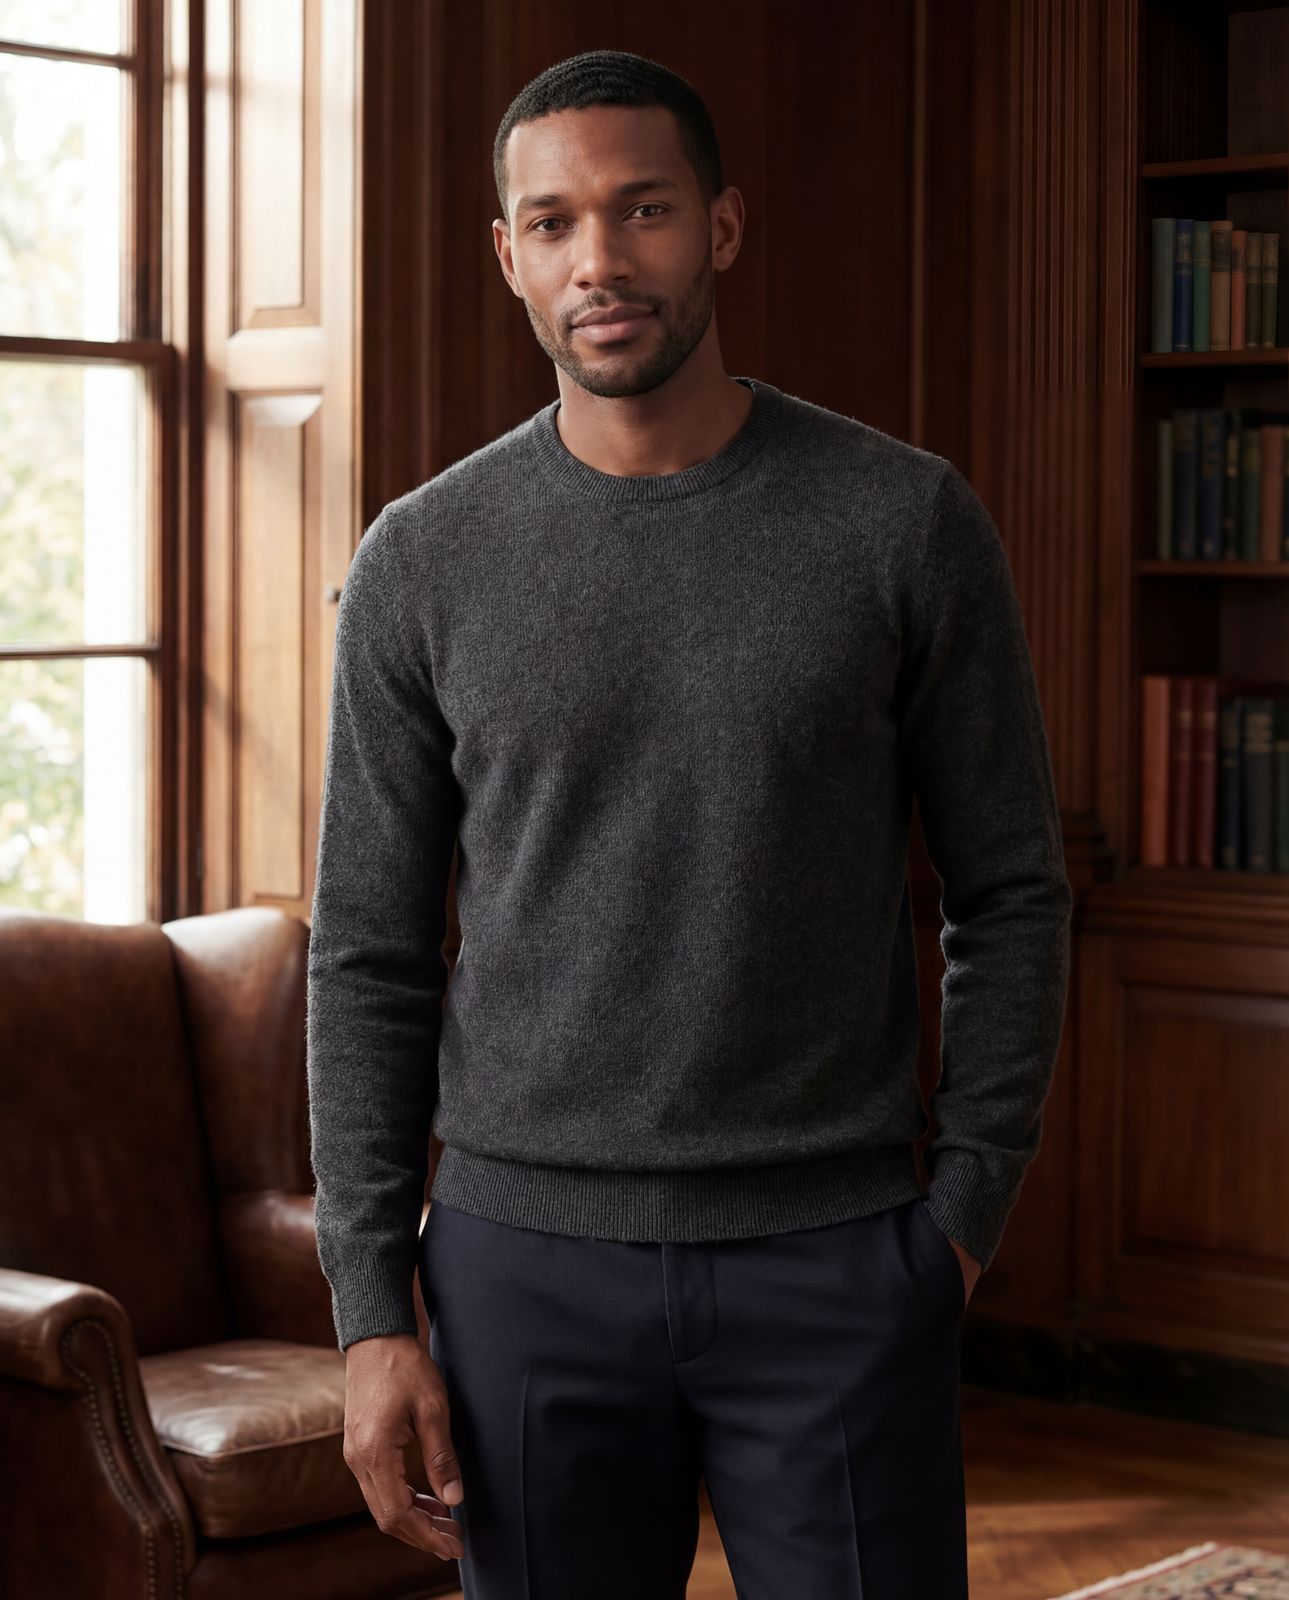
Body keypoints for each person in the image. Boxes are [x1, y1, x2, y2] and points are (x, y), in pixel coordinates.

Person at [306, 47, 1072, 1600]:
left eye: (641, 209)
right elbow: (372, 957)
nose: (601, 259)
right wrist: (372, 1313)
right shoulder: (422, 561)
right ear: (507, 255)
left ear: (718, 228)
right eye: (555, 222)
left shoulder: (901, 522)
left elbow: (1011, 892)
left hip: (839, 1257)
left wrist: (960, 1219)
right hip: (521, 1270)